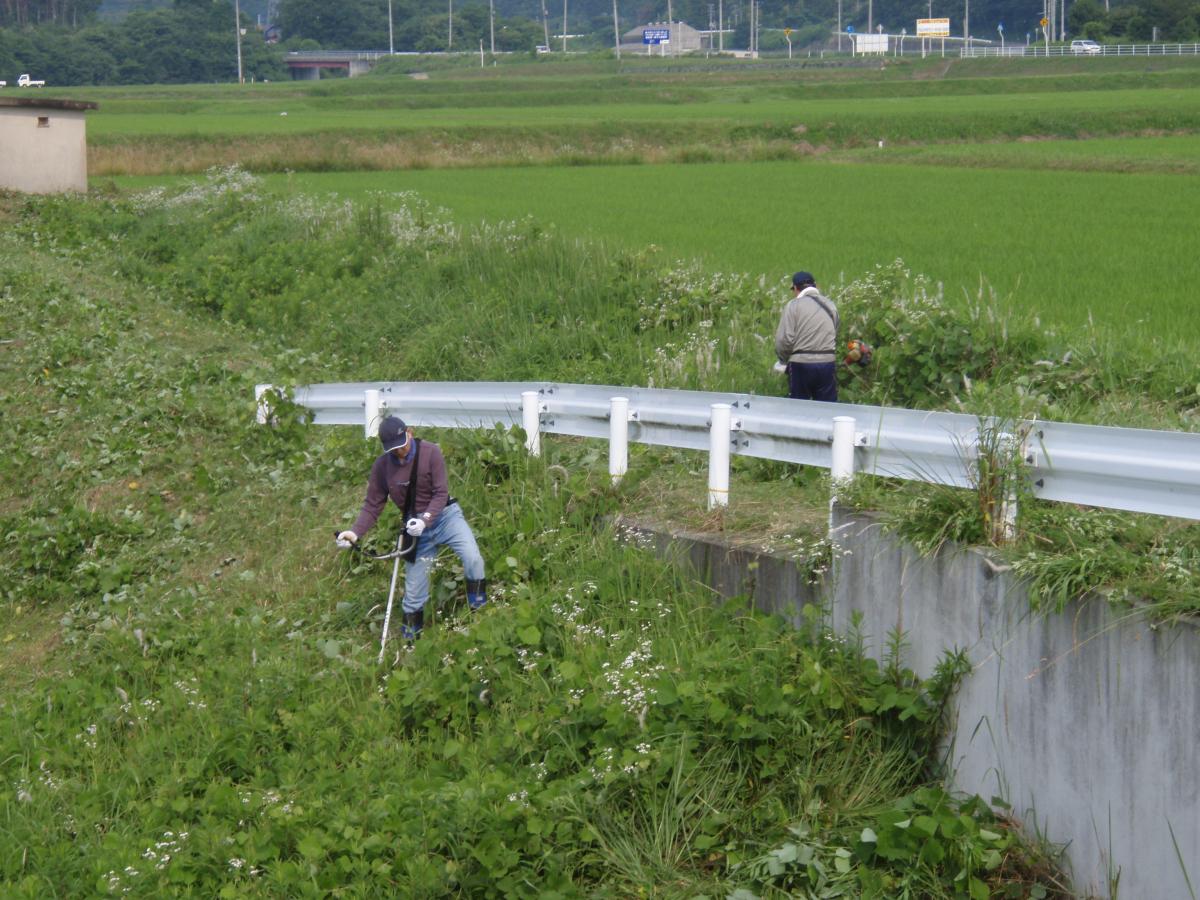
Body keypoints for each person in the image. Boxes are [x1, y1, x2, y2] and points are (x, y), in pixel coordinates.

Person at [336, 416, 486, 641]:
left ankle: (480, 610)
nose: (400, 452)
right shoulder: (382, 467)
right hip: (415, 532)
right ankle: (410, 641)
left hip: (446, 518)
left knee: (472, 557)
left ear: (410, 433)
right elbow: (372, 505)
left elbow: (440, 492)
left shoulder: (431, 453)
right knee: (414, 593)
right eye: (393, 449)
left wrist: (425, 519)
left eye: (402, 445)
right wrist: (354, 533)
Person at [774, 270, 839, 402]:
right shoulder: (830, 305)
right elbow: (834, 331)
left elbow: (784, 340)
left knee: (799, 410)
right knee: (827, 409)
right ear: (815, 286)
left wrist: (784, 360)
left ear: (796, 288)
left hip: (801, 363)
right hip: (827, 362)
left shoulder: (793, 306)